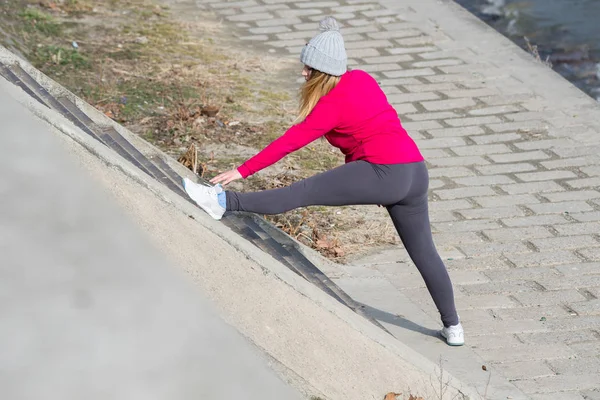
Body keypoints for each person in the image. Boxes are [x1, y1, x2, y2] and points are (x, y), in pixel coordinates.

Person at [183, 16, 464, 346]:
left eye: (309, 70)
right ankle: (453, 328)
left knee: (303, 191)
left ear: (323, 73)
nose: (303, 73)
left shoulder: (330, 106)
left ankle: (221, 203)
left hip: (383, 170)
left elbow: (289, 142)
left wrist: (242, 171)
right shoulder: (362, 78)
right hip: (415, 170)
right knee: (425, 253)